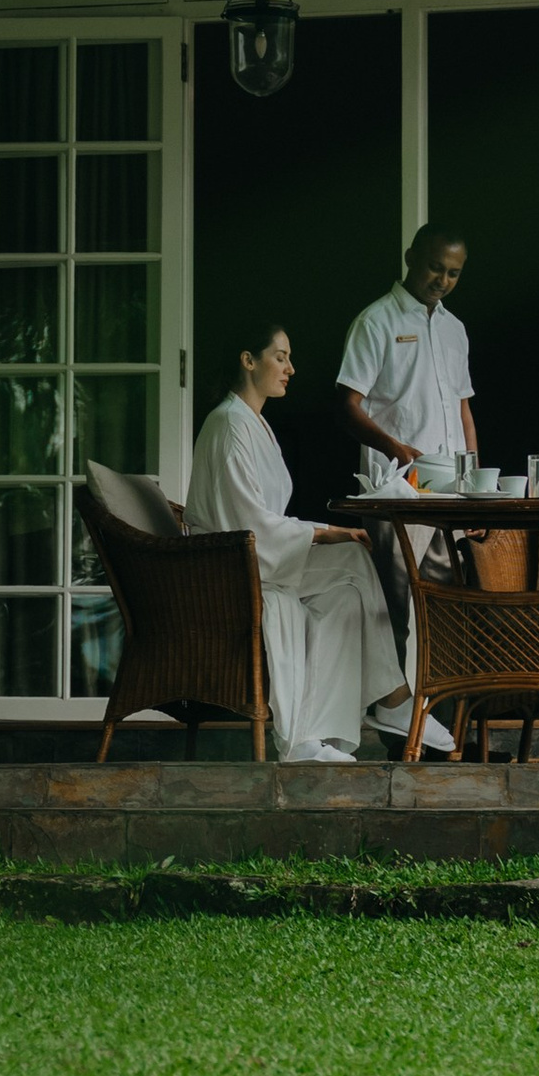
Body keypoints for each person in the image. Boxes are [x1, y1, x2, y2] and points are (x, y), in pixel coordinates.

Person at [186, 321, 454, 761]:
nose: (291, 368)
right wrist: (325, 532)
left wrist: (327, 536)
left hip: (257, 553)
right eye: (281, 356)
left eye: (289, 358)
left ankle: (321, 733)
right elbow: (246, 521)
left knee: (348, 590)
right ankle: (389, 702)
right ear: (248, 361)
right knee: (350, 555)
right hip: (227, 567)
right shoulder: (229, 424)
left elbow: (265, 519)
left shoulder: (253, 424)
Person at [338, 228, 476, 490]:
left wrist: (475, 482)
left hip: (455, 490)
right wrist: (393, 448)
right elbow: (346, 407)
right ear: (410, 258)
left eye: (453, 273)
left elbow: (463, 411)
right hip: (397, 487)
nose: (443, 280)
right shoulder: (375, 322)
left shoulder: (455, 329)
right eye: (435, 267)